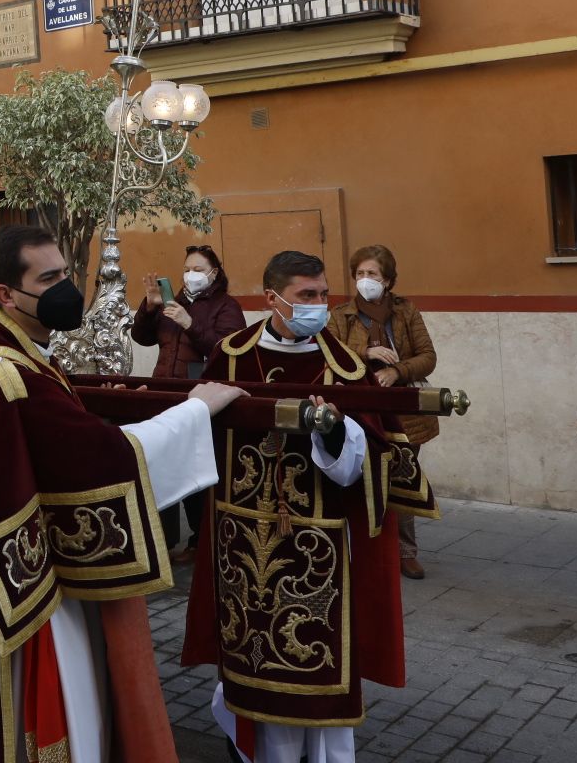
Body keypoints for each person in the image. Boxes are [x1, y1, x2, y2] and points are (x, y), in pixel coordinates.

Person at [0, 225, 245, 762]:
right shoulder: (10, 380)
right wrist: (197, 409)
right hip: (40, 595)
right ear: (6, 296)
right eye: (50, 278)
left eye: (66, 273)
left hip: (54, 579)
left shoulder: (27, 362)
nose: (65, 286)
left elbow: (75, 444)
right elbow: (107, 458)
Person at [184, 249, 408, 763]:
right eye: (307, 296)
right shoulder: (232, 356)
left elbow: (371, 458)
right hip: (240, 549)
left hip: (317, 554)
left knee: (317, 666)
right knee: (250, 671)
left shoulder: (343, 367)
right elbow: (200, 434)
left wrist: (333, 433)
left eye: (323, 294)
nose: (320, 305)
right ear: (272, 299)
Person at [328, 244, 441, 579]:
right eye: (360, 274)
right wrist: (367, 350)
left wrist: (398, 371)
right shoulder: (341, 315)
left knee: (402, 478)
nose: (365, 280)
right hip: (359, 411)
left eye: (372, 274)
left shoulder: (406, 312)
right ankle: (360, 548)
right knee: (358, 480)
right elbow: (331, 354)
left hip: (402, 411)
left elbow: (428, 356)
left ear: (388, 280)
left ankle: (405, 552)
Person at [133, 245, 244, 561]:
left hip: (201, 398)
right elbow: (141, 337)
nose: (190, 275)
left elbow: (227, 349)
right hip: (164, 395)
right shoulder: (173, 302)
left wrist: (189, 323)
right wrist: (150, 307)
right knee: (164, 464)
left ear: (214, 273)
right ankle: (164, 539)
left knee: (196, 467)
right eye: (187, 269)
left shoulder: (226, 306)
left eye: (198, 269)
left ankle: (201, 541)